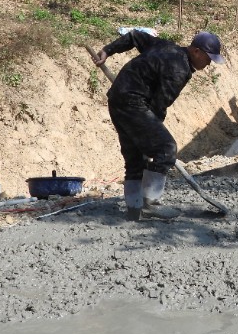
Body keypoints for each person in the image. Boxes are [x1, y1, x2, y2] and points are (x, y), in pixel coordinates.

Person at [94, 29, 225, 221]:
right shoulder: (179, 69)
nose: (209, 63)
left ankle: (134, 209)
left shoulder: (167, 47)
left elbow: (134, 36)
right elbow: (158, 106)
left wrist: (108, 50)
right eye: (208, 58)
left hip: (117, 99)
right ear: (196, 51)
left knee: (135, 157)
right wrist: (151, 136)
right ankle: (149, 204)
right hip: (134, 103)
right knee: (166, 148)